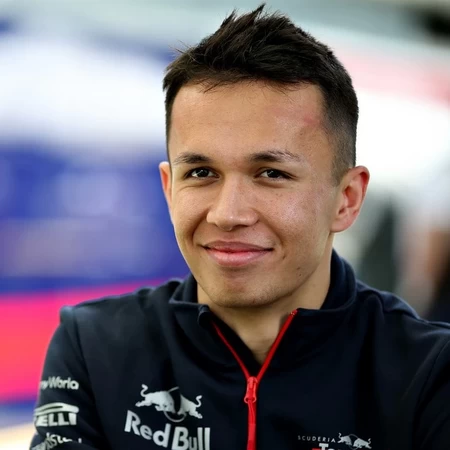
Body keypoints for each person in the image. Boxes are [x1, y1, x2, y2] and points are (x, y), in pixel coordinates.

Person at [30, 5, 450, 450]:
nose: (227, 214)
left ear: (346, 200)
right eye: (201, 173)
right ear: (170, 189)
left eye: (271, 174)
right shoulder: (93, 346)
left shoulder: (430, 372)